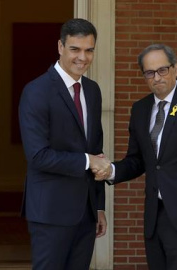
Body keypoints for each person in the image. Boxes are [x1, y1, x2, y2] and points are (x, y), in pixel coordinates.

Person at [95, 43, 177, 270]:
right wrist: (112, 170)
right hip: (155, 218)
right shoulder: (140, 109)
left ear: (175, 68)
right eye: (149, 72)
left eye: (162, 70)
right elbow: (138, 160)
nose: (156, 77)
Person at [19, 18, 111, 270]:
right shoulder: (36, 91)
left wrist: (99, 206)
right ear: (60, 47)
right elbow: (38, 156)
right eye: (75, 49)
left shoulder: (92, 90)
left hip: (86, 211)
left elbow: (97, 151)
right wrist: (88, 161)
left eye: (89, 50)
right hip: (50, 211)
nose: (83, 57)